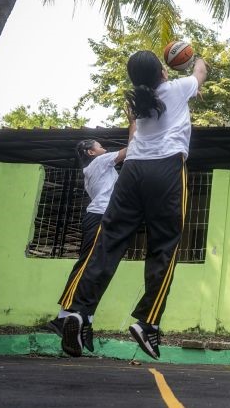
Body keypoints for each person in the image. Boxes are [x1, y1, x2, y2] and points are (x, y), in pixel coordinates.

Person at [59, 49, 207, 360]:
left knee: (107, 242)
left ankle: (77, 311)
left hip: (133, 171)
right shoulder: (177, 88)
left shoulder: (137, 102)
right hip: (166, 169)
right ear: (163, 74)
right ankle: (148, 322)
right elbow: (200, 74)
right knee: (163, 247)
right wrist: (195, 56)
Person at [45, 115, 135, 351]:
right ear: (91, 152)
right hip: (99, 217)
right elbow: (132, 147)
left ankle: (85, 321)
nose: (103, 147)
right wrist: (133, 122)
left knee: (101, 269)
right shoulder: (98, 163)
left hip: (110, 218)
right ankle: (62, 317)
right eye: (99, 145)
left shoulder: (100, 168)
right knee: (88, 264)